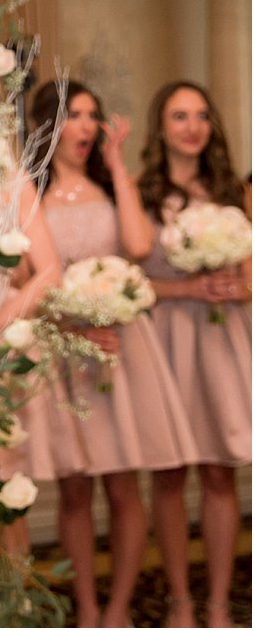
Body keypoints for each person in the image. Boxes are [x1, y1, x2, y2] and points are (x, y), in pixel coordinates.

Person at [25, 80, 195, 628]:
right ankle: (88, 610)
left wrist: (118, 164)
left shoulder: (110, 185)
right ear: (50, 125)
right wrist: (68, 324)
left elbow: (140, 247)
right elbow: (27, 282)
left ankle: (119, 608)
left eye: (92, 115)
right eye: (74, 114)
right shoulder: (33, 197)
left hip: (121, 347)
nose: (86, 126)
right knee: (75, 492)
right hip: (64, 350)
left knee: (124, 487)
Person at [135, 81, 251, 629]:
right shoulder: (139, 192)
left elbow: (251, 275)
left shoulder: (232, 192)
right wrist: (187, 290)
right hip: (166, 339)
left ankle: (222, 602)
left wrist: (239, 287)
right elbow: (128, 282)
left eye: (202, 116)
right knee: (169, 475)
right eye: (180, 116)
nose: (192, 126)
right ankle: (179, 600)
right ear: (161, 127)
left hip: (219, 339)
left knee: (220, 474)